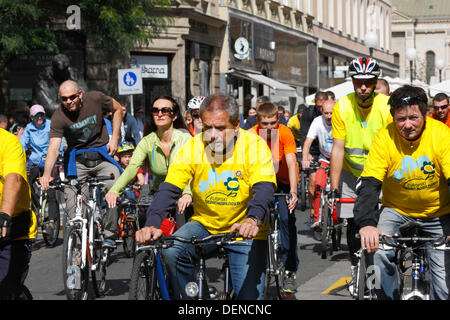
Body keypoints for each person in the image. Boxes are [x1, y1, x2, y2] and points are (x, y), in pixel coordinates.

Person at [135, 93, 277, 300]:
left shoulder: (254, 145)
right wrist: (152, 222)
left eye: (220, 128)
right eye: (207, 127)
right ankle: (195, 299)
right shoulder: (193, 146)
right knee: (172, 251)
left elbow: (264, 189)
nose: (212, 134)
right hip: (205, 224)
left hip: (244, 230)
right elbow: (170, 188)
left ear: (236, 124)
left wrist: (252, 218)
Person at [354, 85, 450, 300]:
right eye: (401, 119)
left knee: (444, 288)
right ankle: (384, 295)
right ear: (393, 118)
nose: (407, 125)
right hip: (396, 210)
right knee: (375, 251)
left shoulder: (442, 135)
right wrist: (367, 223)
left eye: (413, 118)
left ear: (425, 114)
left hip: (438, 212)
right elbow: (369, 183)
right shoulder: (384, 137)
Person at [329, 57, 392, 293]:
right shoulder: (342, 105)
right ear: (353, 82)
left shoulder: (386, 105)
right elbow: (337, 147)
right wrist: (333, 186)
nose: (363, 87)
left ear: (375, 82)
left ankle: (383, 266)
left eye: (368, 82)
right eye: (358, 82)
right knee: (353, 221)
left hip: (381, 172)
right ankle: (356, 265)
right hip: (351, 171)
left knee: (383, 220)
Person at [39, 80, 123, 248]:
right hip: (77, 162)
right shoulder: (58, 116)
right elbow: (54, 147)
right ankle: (76, 256)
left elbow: (118, 108)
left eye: (72, 97)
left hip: (102, 157)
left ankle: (110, 233)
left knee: (114, 186)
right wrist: (47, 174)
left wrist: (114, 138)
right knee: (72, 208)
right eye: (64, 99)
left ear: (80, 95)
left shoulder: (96, 99)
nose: (68, 101)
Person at [106, 96, 193, 224]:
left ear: (174, 116)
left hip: (186, 190)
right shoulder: (147, 142)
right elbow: (132, 168)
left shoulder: (185, 139)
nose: (159, 114)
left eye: (165, 110)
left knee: (182, 222)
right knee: (145, 223)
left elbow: (191, 170)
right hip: (161, 193)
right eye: (155, 111)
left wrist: (187, 194)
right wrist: (114, 191)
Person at [249, 102, 299, 294]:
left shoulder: (285, 132)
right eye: (265, 124)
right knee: (256, 219)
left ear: (278, 120)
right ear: (258, 121)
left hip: (284, 181)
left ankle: (290, 270)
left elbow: (292, 162)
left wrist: (293, 192)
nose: (269, 128)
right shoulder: (252, 134)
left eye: (272, 123)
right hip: (262, 182)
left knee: (287, 221)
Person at [0, 128, 37, 299]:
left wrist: (4, 215)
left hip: (13, 225)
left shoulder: (8, 142)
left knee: (6, 288)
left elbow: (13, 178)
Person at [20, 104, 63, 235]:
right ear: (32, 117)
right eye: (36, 115)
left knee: (50, 191)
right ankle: (34, 205)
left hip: (50, 161)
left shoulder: (50, 125)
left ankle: (50, 221)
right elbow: (22, 144)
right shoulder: (29, 128)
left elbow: (59, 142)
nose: (40, 117)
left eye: (42, 114)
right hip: (35, 161)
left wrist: (60, 154)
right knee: (26, 184)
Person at [288, 91, 326, 218]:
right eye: (319, 107)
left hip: (328, 149)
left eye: (323, 107)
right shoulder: (308, 114)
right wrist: (307, 154)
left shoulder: (332, 113)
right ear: (315, 103)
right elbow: (305, 135)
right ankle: (313, 211)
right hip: (314, 148)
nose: (321, 110)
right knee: (313, 182)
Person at [302, 100, 334, 230]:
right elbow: (308, 141)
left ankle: (340, 216)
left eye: (331, 113)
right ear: (322, 112)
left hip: (340, 158)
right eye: (326, 113)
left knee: (338, 188)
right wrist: (305, 158)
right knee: (318, 185)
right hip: (325, 157)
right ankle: (317, 218)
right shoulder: (317, 121)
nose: (329, 116)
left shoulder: (342, 120)